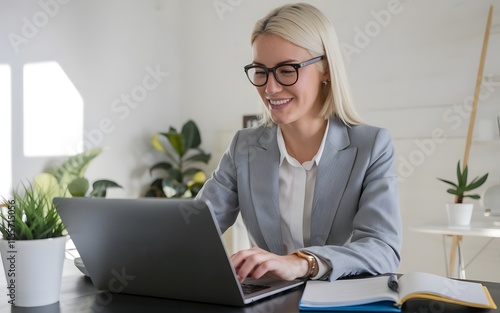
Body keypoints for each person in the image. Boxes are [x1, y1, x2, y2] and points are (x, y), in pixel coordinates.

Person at [196, 2, 401, 282]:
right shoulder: (244, 147)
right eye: (260, 70)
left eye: (287, 69)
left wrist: (302, 263)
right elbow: (195, 228)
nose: (270, 88)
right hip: (268, 301)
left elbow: (383, 249)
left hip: (340, 301)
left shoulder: (372, 145)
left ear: (325, 69)